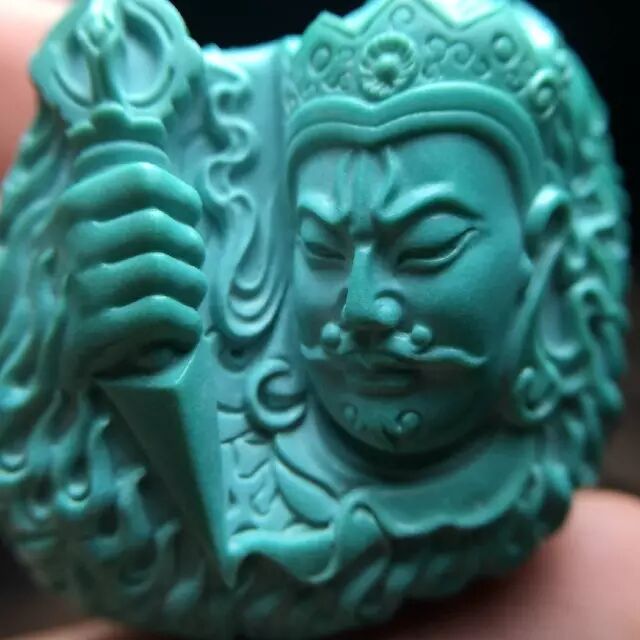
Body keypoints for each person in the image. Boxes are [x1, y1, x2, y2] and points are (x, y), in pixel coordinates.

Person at [1, 2, 640, 639]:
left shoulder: (538, 454)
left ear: (542, 243)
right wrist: (61, 352)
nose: (360, 309)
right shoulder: (243, 467)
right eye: (322, 248)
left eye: (427, 247)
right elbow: (78, 528)